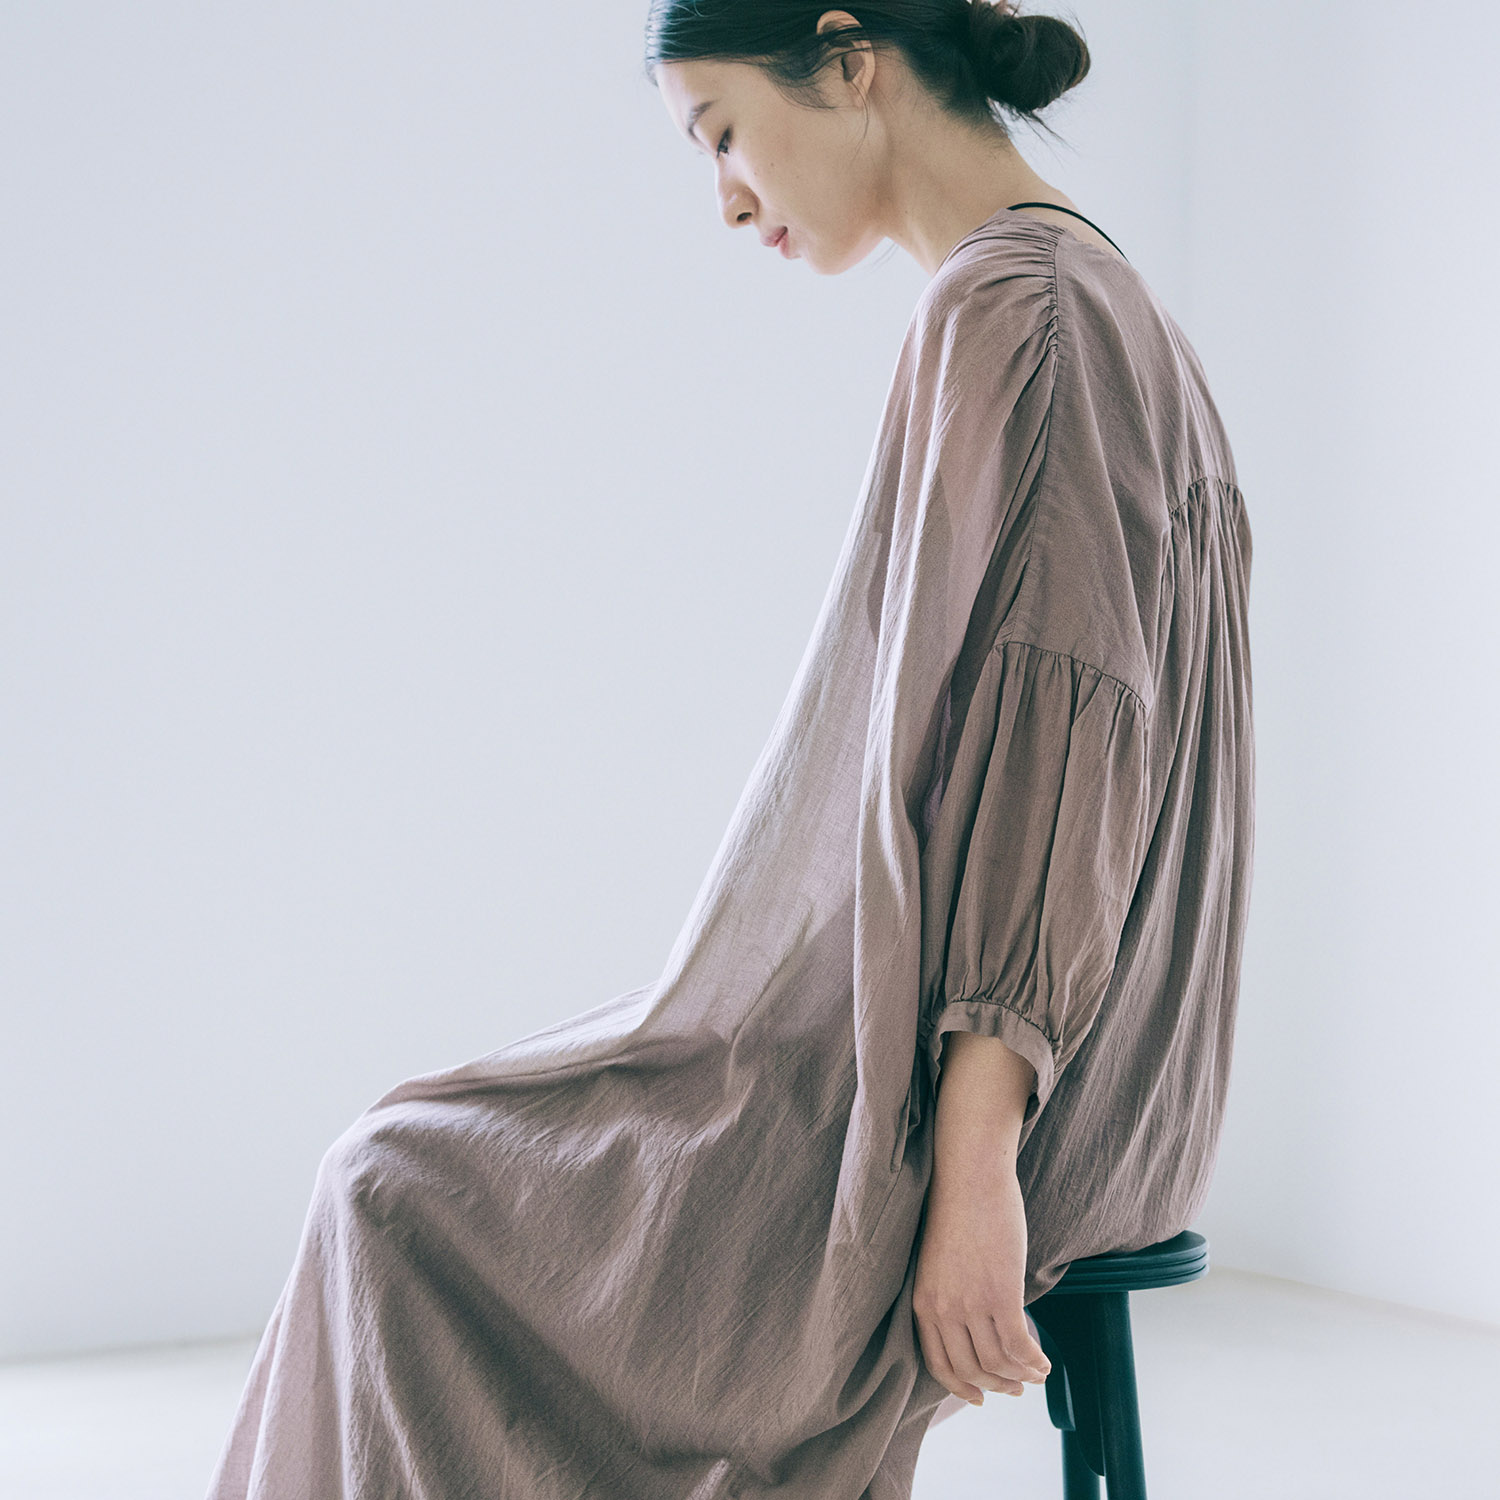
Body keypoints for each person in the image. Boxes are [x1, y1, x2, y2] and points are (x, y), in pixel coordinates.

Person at [206, 3, 1254, 1496]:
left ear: (849, 59)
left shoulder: (1020, 310)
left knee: (394, 1187)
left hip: (1009, 1091)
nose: (728, 197)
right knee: (415, 1150)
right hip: (1079, 1069)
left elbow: (1058, 780)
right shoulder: (1093, 300)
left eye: (722, 134)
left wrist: (976, 1171)